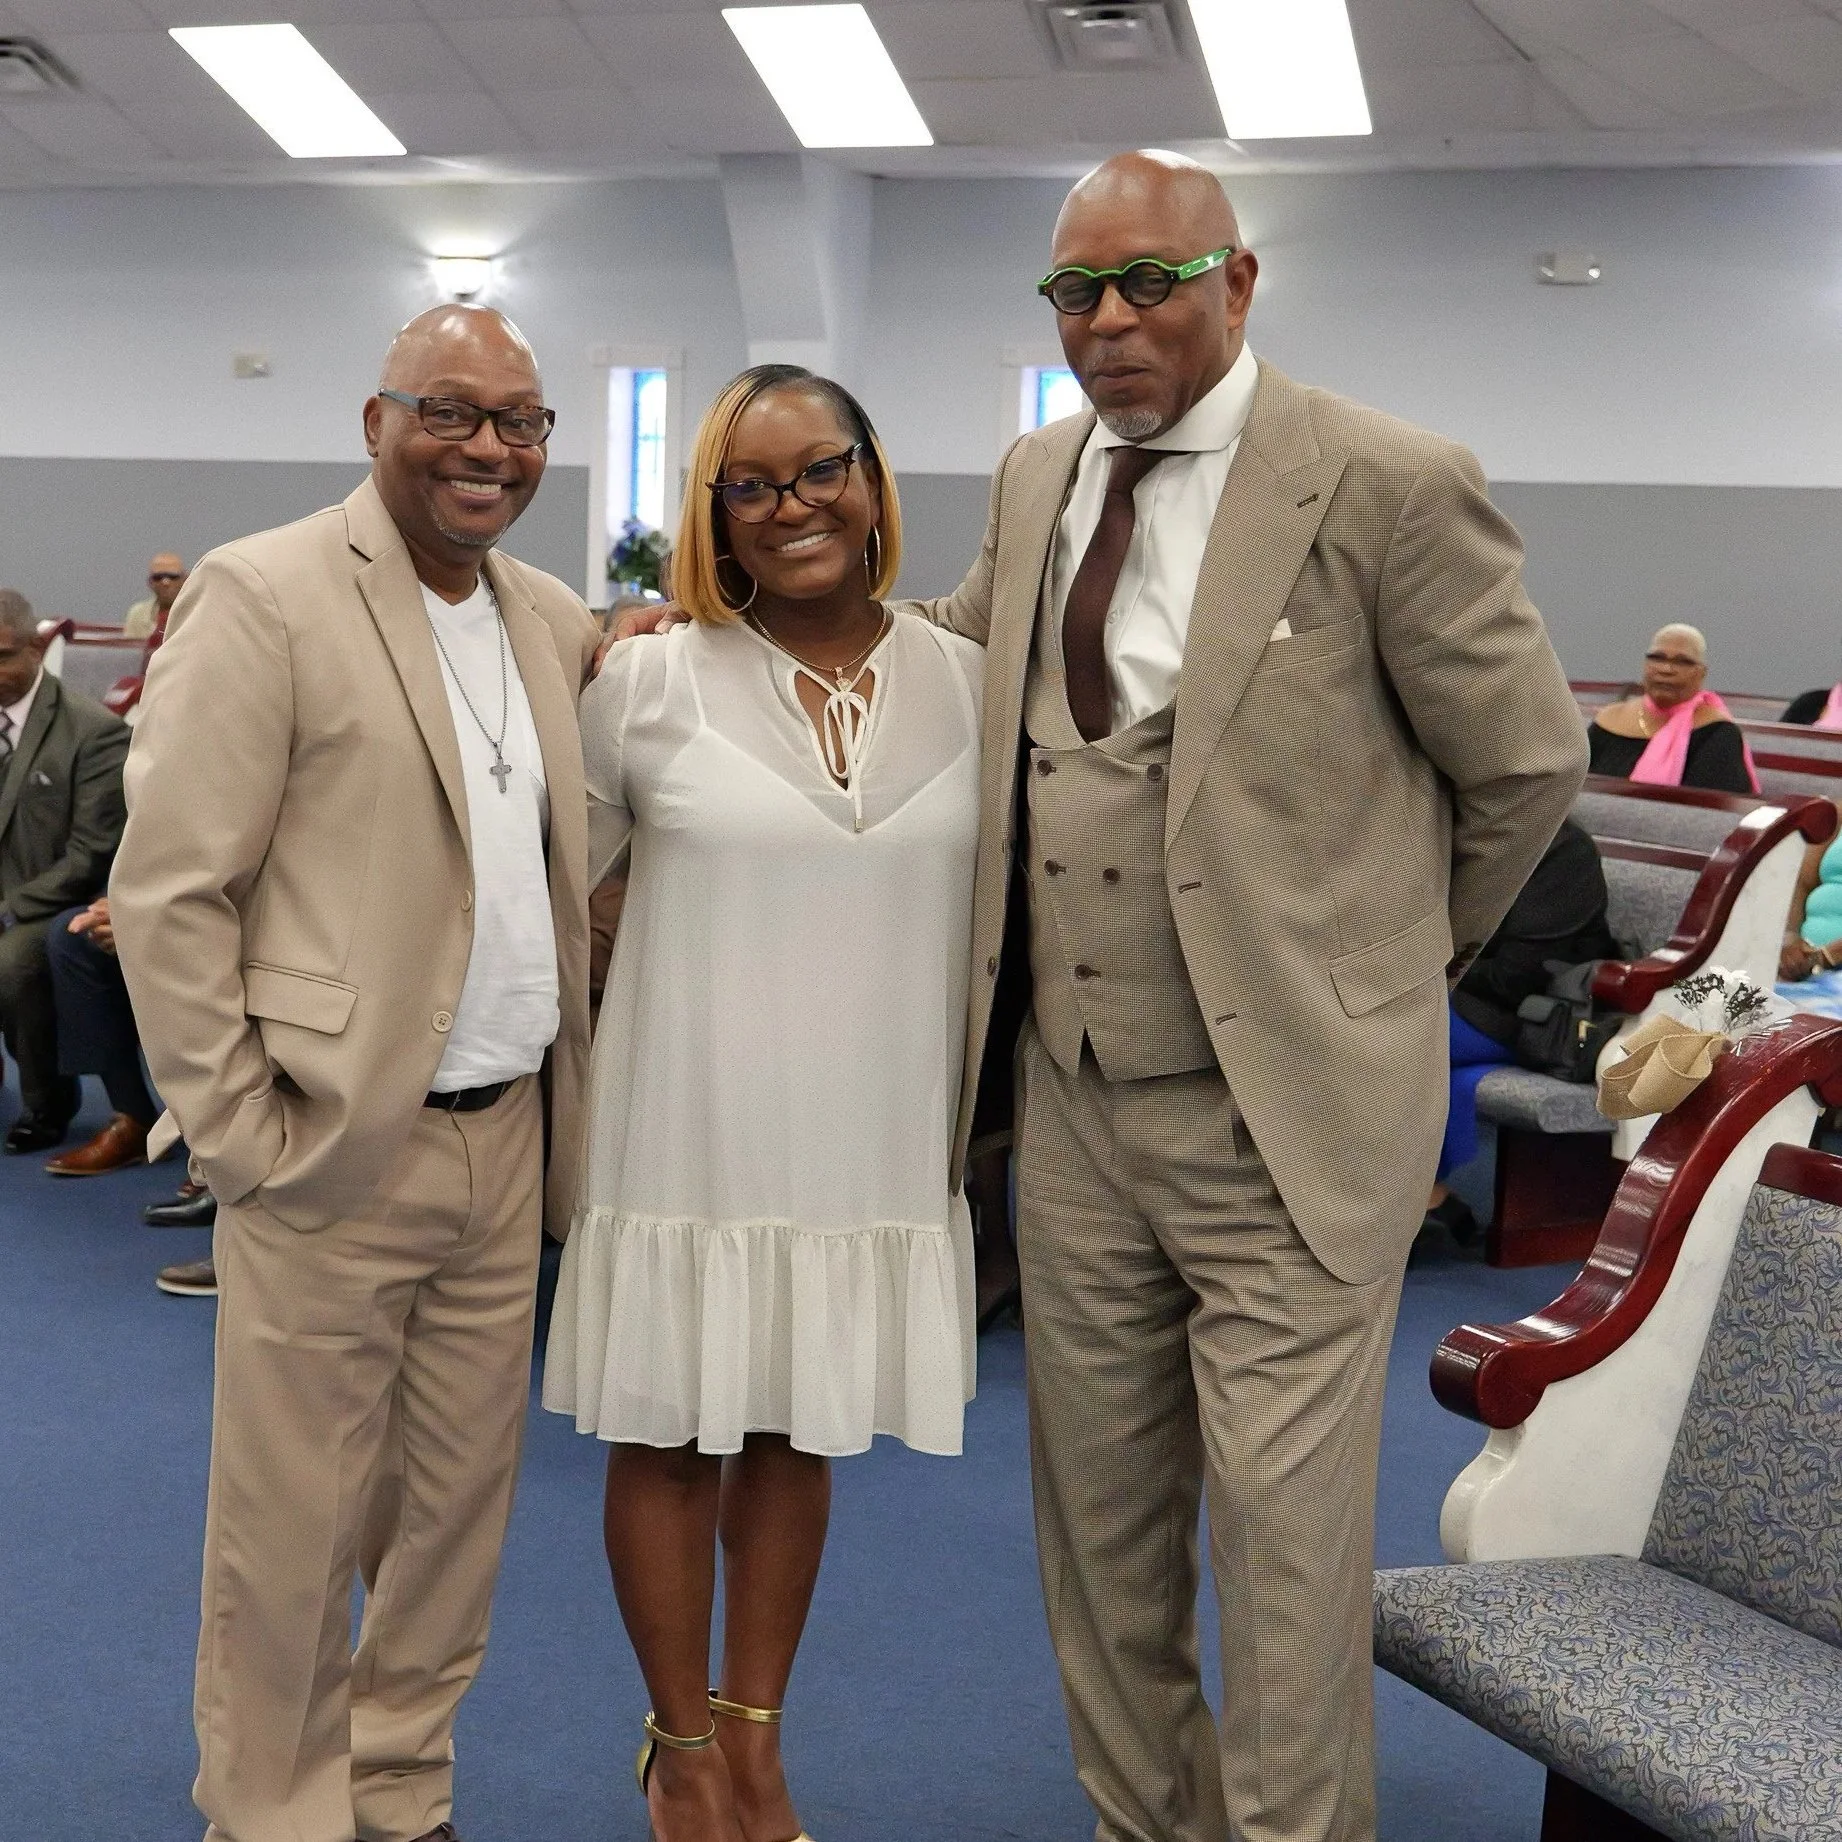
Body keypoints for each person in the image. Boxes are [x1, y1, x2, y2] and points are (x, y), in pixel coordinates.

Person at [897, 151, 1586, 1842]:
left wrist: (1373, 975)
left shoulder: (1385, 482)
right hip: (1069, 1107)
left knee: (1280, 1552)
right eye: (1075, 291)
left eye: (1150, 281)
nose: (1109, 321)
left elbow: (1521, 769)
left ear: (1239, 282)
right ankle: (1148, 1819)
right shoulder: (1035, 471)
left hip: (1280, 1115)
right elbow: (951, 667)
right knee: (1098, 1531)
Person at [110, 303, 598, 1842]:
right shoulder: (265, 594)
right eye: (449, 410)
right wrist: (235, 1128)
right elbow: (173, 891)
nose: (489, 448)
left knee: (453, 1514)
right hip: (330, 1141)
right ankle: (274, 1807)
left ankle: (397, 1785)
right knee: (294, 1520)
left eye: (520, 422)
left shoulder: (545, 615)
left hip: (505, 1131)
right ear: (375, 421)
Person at [548, 364, 980, 1842]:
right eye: (752, 484)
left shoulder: (974, 678)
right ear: (711, 515)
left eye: (821, 469)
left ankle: (754, 1739)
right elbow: (561, 898)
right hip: (691, 1112)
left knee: (801, 1431)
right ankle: (676, 1751)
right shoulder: (647, 679)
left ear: (873, 479)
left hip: (868, 1119)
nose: (793, 505)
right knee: (668, 1431)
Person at [1424, 819, 1620, 1247]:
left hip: (1531, 1017)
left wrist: (1419, 975)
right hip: (1454, 997)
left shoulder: (1561, 849)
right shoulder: (1448, 832)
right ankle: (1416, 1197)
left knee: (1383, 1038)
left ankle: (1404, 1198)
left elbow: (1520, 975)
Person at [0, 588, 130, 1154]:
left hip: (51, 902)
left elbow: (89, 856)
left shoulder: (93, 732)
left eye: (2, 656)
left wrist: (8, 909)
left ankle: (48, 1102)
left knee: (12, 965)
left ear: (36, 649)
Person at [39, 894, 160, 1176]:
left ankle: (219, 1140)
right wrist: (123, 904)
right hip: (158, 898)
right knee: (72, 936)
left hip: (230, 908)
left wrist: (143, 916)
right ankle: (132, 1117)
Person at [1586, 623, 1757, 795]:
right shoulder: (1609, 720)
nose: (1666, 669)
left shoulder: (1717, 733)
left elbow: (1709, 812)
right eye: (1657, 658)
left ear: (1701, 674)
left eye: (1682, 662)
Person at [123, 552, 187, 640]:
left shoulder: (197, 612)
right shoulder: (138, 614)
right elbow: (131, 650)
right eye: (158, 577)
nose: (165, 582)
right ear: (150, 582)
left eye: (172, 577)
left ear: (185, 580)